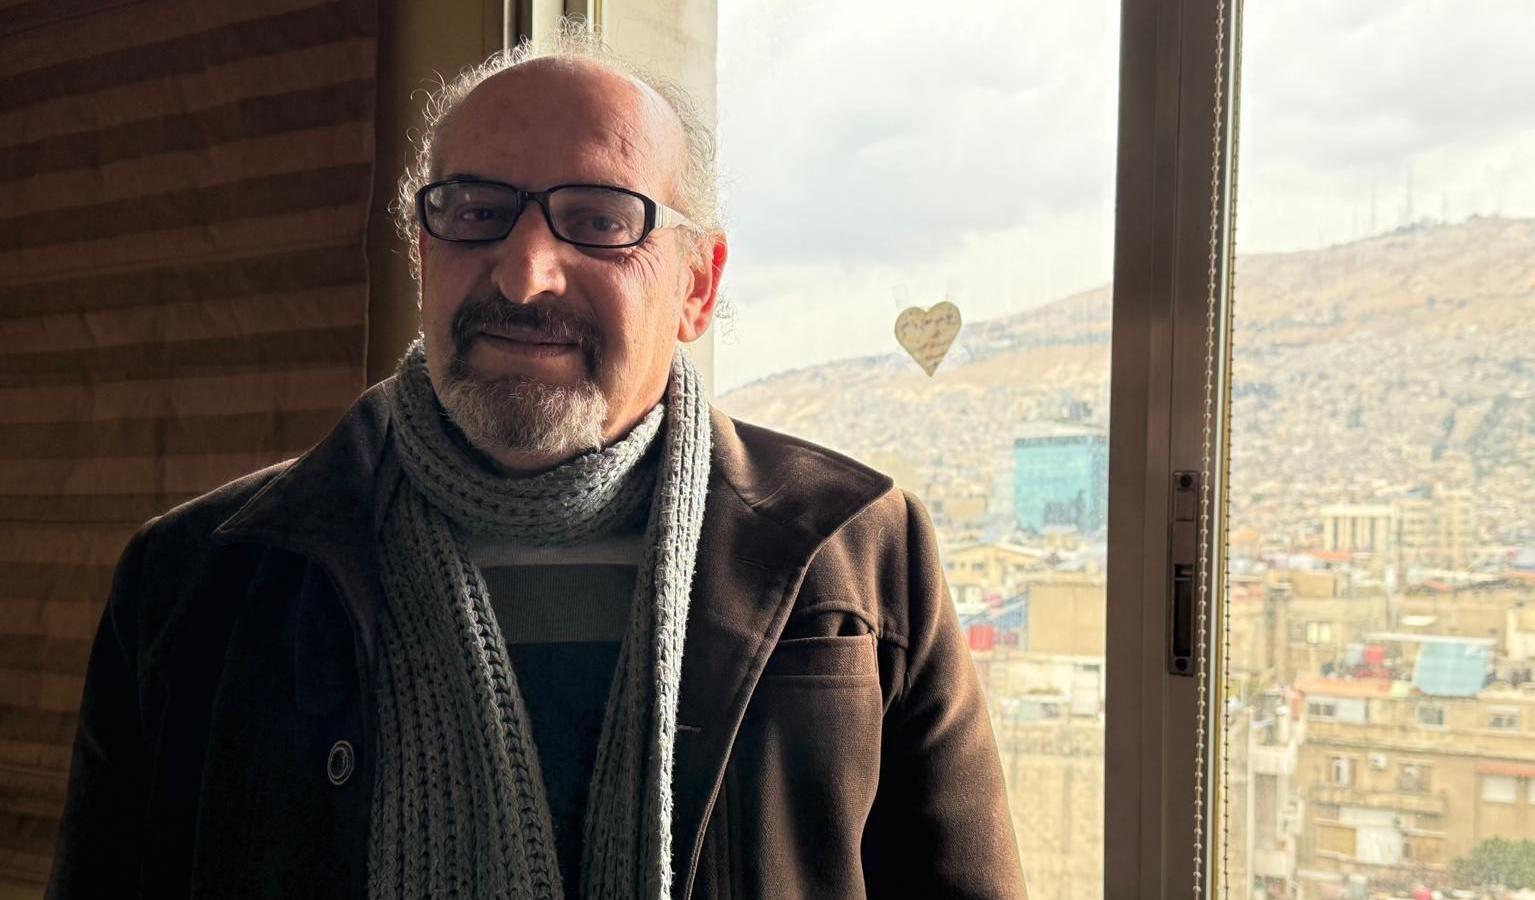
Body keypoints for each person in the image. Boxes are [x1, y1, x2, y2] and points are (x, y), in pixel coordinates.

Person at [47, 28, 1024, 900]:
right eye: (475, 210)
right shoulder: (191, 582)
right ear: (424, 253)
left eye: (599, 219)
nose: (523, 275)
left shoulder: (860, 555)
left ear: (697, 285)